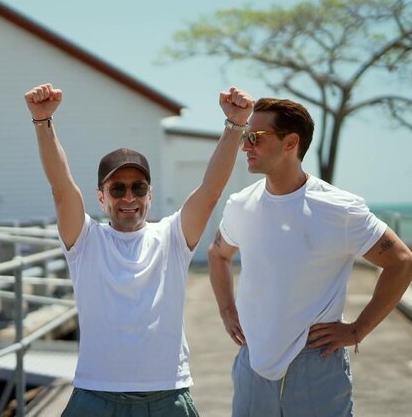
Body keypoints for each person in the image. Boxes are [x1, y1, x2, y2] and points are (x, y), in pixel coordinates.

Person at [24, 83, 254, 416]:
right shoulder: (85, 240)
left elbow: (210, 191)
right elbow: (62, 188)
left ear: (150, 195)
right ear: (101, 197)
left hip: (166, 396)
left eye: (138, 188)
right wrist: (42, 123)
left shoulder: (173, 236)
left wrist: (235, 126)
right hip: (95, 395)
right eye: (117, 188)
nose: (129, 197)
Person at [207, 97, 412, 416]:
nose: (245, 146)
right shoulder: (241, 204)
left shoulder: (339, 209)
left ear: (291, 142)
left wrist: (357, 330)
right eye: (244, 136)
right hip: (253, 365)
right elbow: (218, 253)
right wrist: (227, 309)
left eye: (255, 137)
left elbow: (402, 263)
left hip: (316, 366)